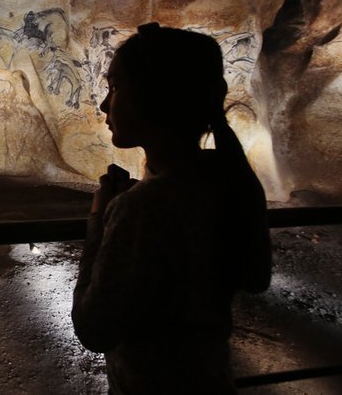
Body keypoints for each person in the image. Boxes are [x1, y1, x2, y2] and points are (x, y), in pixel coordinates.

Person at [71, 22, 272, 394]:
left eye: (115, 87)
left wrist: (99, 219)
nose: (104, 104)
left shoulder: (143, 207)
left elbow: (94, 327)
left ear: (155, 96)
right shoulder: (229, 179)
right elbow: (256, 278)